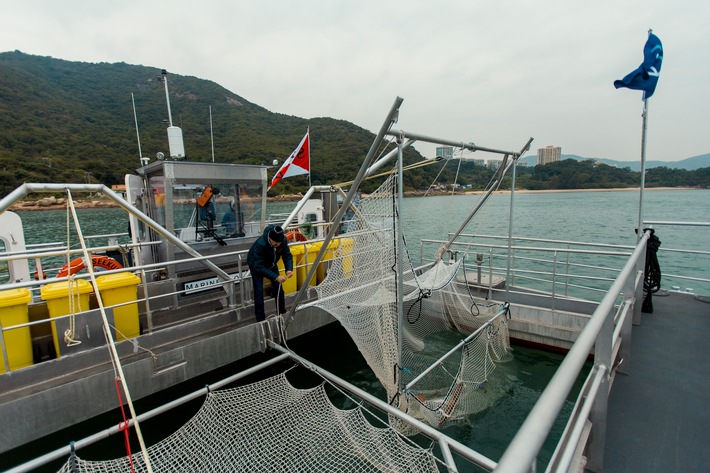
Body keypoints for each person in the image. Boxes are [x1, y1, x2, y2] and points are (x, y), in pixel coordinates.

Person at [247, 225, 293, 322]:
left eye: (279, 242)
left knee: (279, 289)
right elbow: (259, 266)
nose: (278, 244)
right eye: (275, 242)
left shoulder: (282, 241)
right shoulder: (260, 244)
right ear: (270, 239)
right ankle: (260, 320)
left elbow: (287, 255)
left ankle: (282, 312)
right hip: (256, 266)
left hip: (271, 264)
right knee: (258, 292)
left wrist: (289, 269)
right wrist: (276, 276)